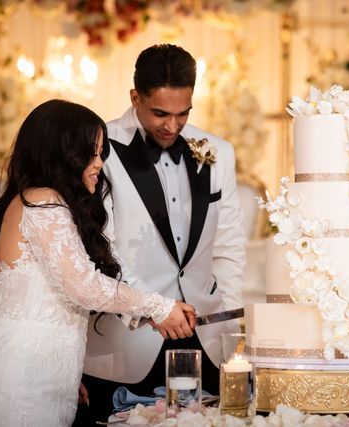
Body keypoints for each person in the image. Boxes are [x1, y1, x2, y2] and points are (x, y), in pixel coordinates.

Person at [0, 99, 196, 427]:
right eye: (90, 154)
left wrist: (62, 369)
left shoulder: (35, 201)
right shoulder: (44, 204)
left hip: (33, 372)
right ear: (61, 154)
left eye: (101, 153)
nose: (99, 164)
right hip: (20, 377)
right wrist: (159, 307)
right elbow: (84, 286)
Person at [77, 44, 246, 423]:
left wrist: (228, 330)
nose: (172, 125)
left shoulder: (217, 151)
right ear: (135, 98)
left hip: (206, 337)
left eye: (183, 113)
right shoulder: (100, 148)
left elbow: (229, 245)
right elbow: (100, 248)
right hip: (130, 340)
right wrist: (152, 308)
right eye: (160, 113)